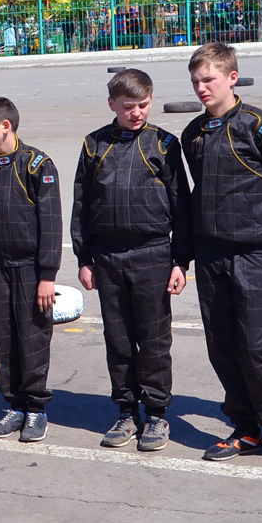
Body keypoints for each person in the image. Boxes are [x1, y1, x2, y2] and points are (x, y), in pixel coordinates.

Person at [181, 42, 262, 469]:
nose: (201, 88)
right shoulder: (193, 134)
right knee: (222, 347)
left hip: (256, 257)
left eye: (209, 79)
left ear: (232, 78)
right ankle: (246, 429)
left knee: (255, 347)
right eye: (196, 81)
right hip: (211, 255)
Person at [73, 69, 191, 452]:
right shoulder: (94, 145)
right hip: (107, 257)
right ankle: (126, 411)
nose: (136, 113)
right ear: (112, 104)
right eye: (128, 107)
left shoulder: (164, 144)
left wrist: (181, 261)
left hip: (153, 254)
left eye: (143, 105)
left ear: (151, 100)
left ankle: (156, 414)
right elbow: (81, 206)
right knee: (118, 340)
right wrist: (84, 258)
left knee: (154, 340)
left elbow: (182, 206)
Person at [0, 97, 62, 443]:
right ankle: (15, 406)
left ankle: (36, 409)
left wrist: (47, 276)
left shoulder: (37, 165)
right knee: (4, 340)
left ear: (5, 126)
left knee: (32, 339)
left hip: (29, 270)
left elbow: (51, 224)